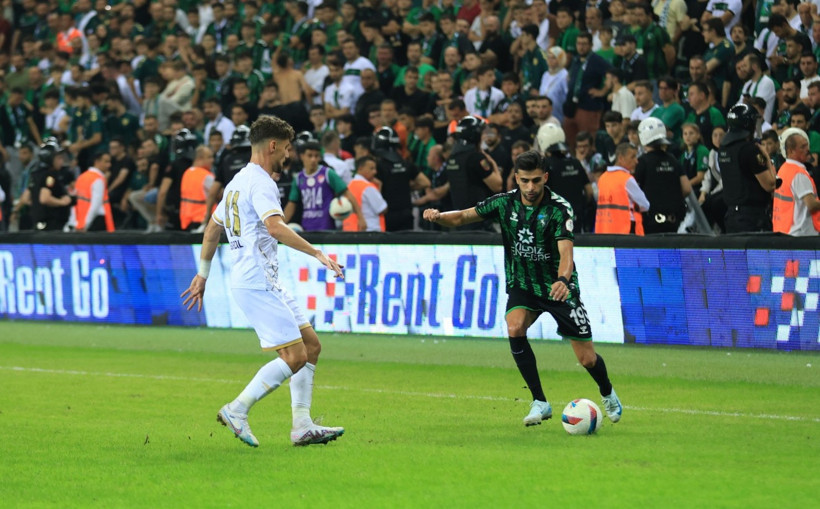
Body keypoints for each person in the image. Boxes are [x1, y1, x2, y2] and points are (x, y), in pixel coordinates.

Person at [422, 149, 623, 427]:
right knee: (514, 326)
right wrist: (438, 215)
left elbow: (567, 254)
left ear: (546, 178)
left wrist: (563, 280)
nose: (530, 187)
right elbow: (462, 217)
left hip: (558, 287)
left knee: (587, 359)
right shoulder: (504, 203)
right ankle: (540, 401)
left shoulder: (560, 208)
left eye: (536, 181)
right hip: (523, 284)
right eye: (525, 180)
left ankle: (607, 393)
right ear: (516, 178)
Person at [181, 115, 346, 448]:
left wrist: (203, 273)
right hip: (257, 280)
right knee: (295, 356)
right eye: (286, 148)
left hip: (263, 279)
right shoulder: (262, 182)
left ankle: (302, 425)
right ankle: (237, 409)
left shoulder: (236, 183)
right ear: (272, 146)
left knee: (311, 346)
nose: (288, 155)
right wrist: (316, 253)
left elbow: (213, 229)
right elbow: (275, 227)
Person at [719, 104, 778, 233]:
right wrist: (766, 157)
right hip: (751, 218)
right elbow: (770, 184)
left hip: (731, 215)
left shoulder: (724, 149)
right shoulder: (751, 150)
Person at [284, 140, 365, 231]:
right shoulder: (299, 178)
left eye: (316, 156)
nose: (313, 159)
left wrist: (361, 218)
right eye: (310, 155)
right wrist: (282, 224)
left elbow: (348, 194)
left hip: (327, 228)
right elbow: (292, 204)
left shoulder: (328, 173)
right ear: (302, 156)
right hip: (306, 228)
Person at [634, 118, 693, 234]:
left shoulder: (641, 162)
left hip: (650, 220)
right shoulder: (673, 159)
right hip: (674, 220)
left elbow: (635, 190)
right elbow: (687, 188)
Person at [444, 116, 502, 230]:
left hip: (459, 219)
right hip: (478, 220)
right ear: (475, 135)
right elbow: (497, 186)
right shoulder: (476, 158)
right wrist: (491, 162)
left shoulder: (452, 158)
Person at [371, 126, 430, 231]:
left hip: (388, 214)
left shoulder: (378, 166)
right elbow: (425, 182)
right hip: (406, 212)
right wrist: (405, 186)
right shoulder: (406, 163)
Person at [772, 128, 820, 235]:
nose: (807, 149)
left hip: (785, 231)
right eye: (802, 147)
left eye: (807, 145)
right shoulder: (798, 174)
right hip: (802, 235)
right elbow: (811, 204)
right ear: (790, 151)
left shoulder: (783, 169)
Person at [595, 143, 650, 235]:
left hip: (604, 230)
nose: (636, 161)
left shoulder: (602, 178)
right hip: (625, 230)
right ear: (621, 158)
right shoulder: (627, 179)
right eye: (632, 157)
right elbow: (645, 205)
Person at [342, 156, 388, 232]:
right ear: (360, 168)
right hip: (369, 230)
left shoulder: (350, 185)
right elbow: (382, 209)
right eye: (371, 168)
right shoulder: (367, 187)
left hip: (350, 230)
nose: (375, 172)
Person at [75, 152, 115, 232]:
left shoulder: (81, 177)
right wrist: (86, 224)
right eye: (106, 162)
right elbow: (95, 205)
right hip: (95, 221)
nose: (109, 165)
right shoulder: (98, 179)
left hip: (80, 220)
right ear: (97, 162)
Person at [179, 146, 215, 232]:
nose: (212, 160)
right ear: (200, 159)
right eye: (209, 157)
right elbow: (219, 194)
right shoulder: (206, 176)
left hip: (187, 220)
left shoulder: (187, 173)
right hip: (204, 220)